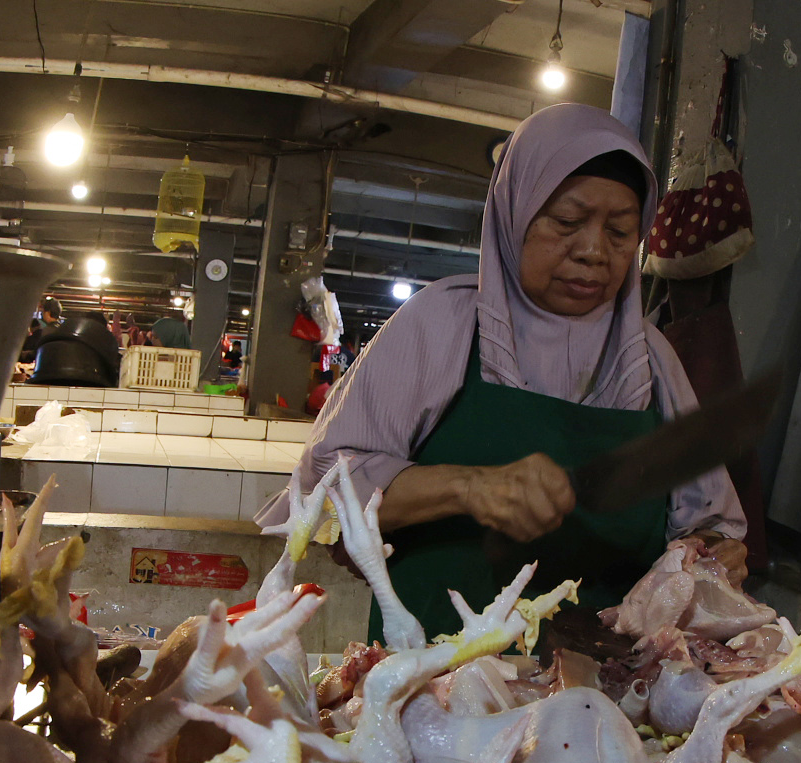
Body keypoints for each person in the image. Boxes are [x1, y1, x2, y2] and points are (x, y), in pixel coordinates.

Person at [256, 104, 746, 639]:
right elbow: (321, 498)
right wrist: (468, 487)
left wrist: (714, 554)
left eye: (621, 232)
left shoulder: (650, 357)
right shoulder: (441, 322)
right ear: (515, 212)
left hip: (613, 691)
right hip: (436, 681)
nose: (592, 251)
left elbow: (708, 519)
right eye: (566, 222)